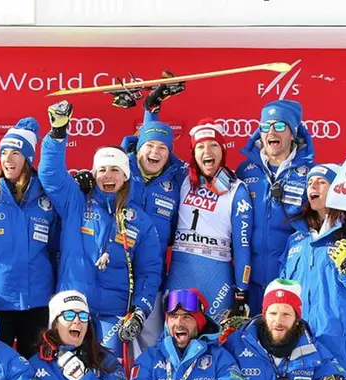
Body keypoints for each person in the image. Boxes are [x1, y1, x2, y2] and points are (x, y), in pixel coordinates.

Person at [38, 100, 162, 354]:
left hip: (112, 315)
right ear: (94, 174)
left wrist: (140, 310)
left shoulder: (140, 220)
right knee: (67, 373)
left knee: (109, 375)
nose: (108, 176)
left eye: (115, 170)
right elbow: (50, 174)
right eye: (102, 170)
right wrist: (58, 132)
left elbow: (149, 271)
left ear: (126, 176)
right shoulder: (76, 202)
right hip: (72, 309)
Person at [0, 117, 59, 358]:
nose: (7, 158)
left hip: (38, 303)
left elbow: (59, 252)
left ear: (28, 158)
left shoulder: (47, 201)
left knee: (36, 371)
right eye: (3, 152)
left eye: (15, 152)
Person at [280, 163, 346, 380]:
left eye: (321, 182)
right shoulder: (296, 240)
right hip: (301, 347)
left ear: (338, 188)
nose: (313, 186)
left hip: (341, 348)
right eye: (309, 182)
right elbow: (283, 290)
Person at [116, 85, 188, 351]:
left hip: (152, 277)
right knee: (111, 348)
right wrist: (150, 113)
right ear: (138, 148)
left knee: (150, 347)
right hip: (115, 273)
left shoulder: (177, 179)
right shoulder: (122, 168)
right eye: (149, 145)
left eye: (162, 148)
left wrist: (152, 112)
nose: (155, 152)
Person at [166, 119, 253, 322]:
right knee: (173, 337)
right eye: (200, 146)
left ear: (223, 150)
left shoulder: (236, 189)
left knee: (215, 341)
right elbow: (153, 149)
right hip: (181, 269)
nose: (207, 151)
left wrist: (242, 291)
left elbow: (243, 245)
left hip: (217, 275)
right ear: (194, 153)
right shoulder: (182, 177)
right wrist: (151, 115)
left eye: (214, 145)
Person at [236, 99, 316, 315]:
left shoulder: (311, 173)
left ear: (293, 132)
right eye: (265, 126)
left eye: (280, 126)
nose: (272, 131)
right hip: (248, 282)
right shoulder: (246, 170)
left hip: (288, 282)